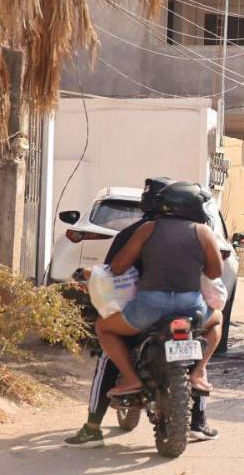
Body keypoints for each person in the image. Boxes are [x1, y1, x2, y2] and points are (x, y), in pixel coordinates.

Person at [65, 181, 224, 445]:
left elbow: (117, 267)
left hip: (150, 307)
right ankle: (198, 373)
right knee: (216, 320)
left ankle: (128, 380)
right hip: (191, 308)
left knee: (104, 328)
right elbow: (216, 272)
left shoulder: (146, 229)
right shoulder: (204, 232)